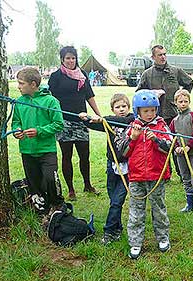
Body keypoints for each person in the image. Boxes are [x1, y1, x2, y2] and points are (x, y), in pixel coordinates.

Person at [79, 93, 135, 245]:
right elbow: (92, 124)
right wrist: (86, 118)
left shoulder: (132, 120)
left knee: (117, 201)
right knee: (113, 200)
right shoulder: (109, 122)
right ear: (112, 109)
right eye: (118, 107)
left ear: (129, 107)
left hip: (128, 168)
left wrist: (103, 119)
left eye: (124, 106)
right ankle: (117, 228)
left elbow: (124, 120)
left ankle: (109, 231)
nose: (122, 109)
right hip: (112, 166)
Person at [49, 46, 102, 200]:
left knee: (85, 155)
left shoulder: (82, 75)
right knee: (67, 156)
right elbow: (50, 99)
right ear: (62, 59)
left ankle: (87, 184)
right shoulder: (56, 76)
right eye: (68, 58)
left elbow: (89, 96)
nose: (71, 61)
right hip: (64, 121)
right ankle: (71, 189)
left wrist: (99, 115)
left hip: (82, 120)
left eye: (73, 58)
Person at [124, 90, 172, 259]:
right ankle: (135, 243)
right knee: (136, 212)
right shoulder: (132, 128)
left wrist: (156, 140)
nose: (150, 114)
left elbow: (169, 147)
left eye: (153, 110)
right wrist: (134, 138)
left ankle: (163, 238)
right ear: (138, 111)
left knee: (159, 209)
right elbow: (123, 152)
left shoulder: (162, 126)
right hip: (136, 178)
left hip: (156, 176)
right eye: (146, 111)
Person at [12, 67, 65, 214]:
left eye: (21, 83)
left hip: (46, 150)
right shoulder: (19, 102)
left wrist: (39, 131)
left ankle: (57, 206)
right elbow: (16, 122)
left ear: (33, 84)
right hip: (27, 150)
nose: (18, 86)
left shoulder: (50, 101)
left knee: (50, 179)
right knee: (33, 182)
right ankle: (40, 211)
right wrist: (16, 131)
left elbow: (59, 124)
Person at [136, 44, 193, 179]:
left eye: (164, 54)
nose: (163, 57)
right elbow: (139, 92)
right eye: (160, 55)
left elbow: (189, 82)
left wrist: (181, 95)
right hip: (155, 117)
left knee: (177, 143)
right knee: (159, 145)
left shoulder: (175, 71)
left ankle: (182, 174)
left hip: (174, 115)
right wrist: (152, 93)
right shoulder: (147, 74)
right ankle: (164, 174)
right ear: (153, 57)